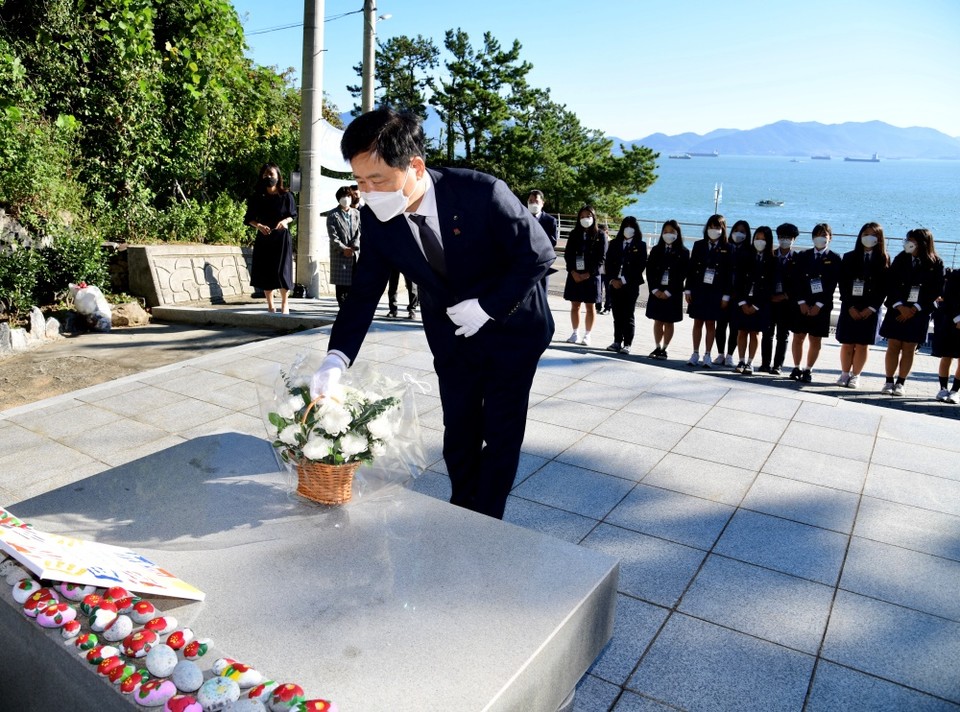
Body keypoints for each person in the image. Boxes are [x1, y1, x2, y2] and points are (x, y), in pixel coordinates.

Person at [310, 109, 556, 520]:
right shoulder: (377, 218)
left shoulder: (481, 192)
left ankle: (486, 518)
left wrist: (487, 308)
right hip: (451, 335)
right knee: (458, 432)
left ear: (414, 166)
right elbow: (364, 292)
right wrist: (336, 358)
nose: (368, 193)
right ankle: (463, 507)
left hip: (513, 328)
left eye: (378, 181)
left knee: (500, 431)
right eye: (360, 182)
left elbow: (537, 256)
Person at [879, 228, 944, 396]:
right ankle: (888, 381)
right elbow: (890, 283)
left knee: (909, 347)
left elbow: (936, 290)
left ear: (923, 243)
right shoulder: (901, 258)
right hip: (897, 309)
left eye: (912, 240)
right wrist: (900, 306)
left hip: (919, 312)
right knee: (893, 345)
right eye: (907, 239)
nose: (908, 243)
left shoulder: (936, 263)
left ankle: (901, 382)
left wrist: (915, 308)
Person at [835, 222, 889, 389]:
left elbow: (884, 287)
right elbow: (843, 283)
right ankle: (844, 373)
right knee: (848, 342)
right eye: (865, 234)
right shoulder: (849, 257)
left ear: (879, 238)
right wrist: (850, 306)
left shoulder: (884, 259)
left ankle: (856, 375)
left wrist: (871, 308)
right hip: (850, 306)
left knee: (862, 344)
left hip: (870, 309)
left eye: (873, 234)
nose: (868, 237)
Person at [787, 223, 840, 383]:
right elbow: (796, 282)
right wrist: (802, 302)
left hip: (821, 306)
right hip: (802, 304)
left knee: (815, 339)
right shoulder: (803, 256)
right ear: (812, 237)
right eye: (818, 234)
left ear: (830, 237)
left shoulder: (835, 258)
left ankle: (808, 369)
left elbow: (831, 285)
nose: (821, 237)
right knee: (798, 337)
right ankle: (796, 367)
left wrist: (818, 305)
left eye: (824, 234)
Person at [245, 163, 297, 314]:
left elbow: (293, 215)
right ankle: (270, 305)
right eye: (265, 174)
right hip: (264, 237)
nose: (268, 177)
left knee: (283, 271)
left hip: (281, 238)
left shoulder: (286, 195)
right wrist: (259, 225)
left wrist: (284, 221)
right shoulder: (257, 197)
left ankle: (284, 304)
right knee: (266, 270)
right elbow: (249, 218)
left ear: (278, 176)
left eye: (271, 174)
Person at [685, 214, 733, 368]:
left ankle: (707, 354)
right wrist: (687, 289)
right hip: (699, 289)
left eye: (717, 227)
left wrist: (726, 295)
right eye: (711, 227)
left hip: (716, 292)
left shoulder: (728, 247)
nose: (714, 230)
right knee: (697, 322)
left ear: (723, 229)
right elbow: (691, 269)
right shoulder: (699, 245)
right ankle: (695, 353)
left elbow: (729, 274)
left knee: (711, 323)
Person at [732, 226, 775, 374]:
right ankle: (741, 360)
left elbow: (770, 286)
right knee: (742, 331)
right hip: (743, 301)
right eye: (757, 238)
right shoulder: (745, 255)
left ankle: (750, 362)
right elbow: (737, 281)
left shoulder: (772, 260)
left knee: (754, 333)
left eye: (763, 239)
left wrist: (756, 305)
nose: (759, 241)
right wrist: (742, 302)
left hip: (760, 304)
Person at [563, 206, 607, 346]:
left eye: (588, 216)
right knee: (575, 305)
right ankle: (575, 333)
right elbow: (568, 254)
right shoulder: (574, 234)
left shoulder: (600, 235)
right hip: (575, 274)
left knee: (590, 306)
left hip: (592, 276)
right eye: (582, 216)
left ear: (593, 217)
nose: (585, 219)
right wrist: (573, 272)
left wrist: (589, 273)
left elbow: (602, 258)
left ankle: (587, 335)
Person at [645, 220, 689, 360]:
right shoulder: (656, 250)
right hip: (657, 291)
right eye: (665, 231)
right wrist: (655, 290)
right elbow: (650, 270)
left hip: (673, 292)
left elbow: (682, 274)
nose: (668, 234)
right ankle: (657, 347)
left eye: (672, 232)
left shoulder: (683, 252)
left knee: (669, 321)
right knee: (657, 320)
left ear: (678, 233)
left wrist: (669, 292)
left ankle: (665, 348)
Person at [759, 223, 799, 374]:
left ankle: (778, 365)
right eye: (781, 237)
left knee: (783, 335)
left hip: (787, 303)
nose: (784, 240)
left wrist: (785, 295)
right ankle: (765, 363)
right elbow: (763, 279)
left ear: (793, 239)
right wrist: (769, 296)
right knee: (767, 333)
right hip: (770, 301)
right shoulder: (770, 256)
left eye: (788, 238)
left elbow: (799, 283)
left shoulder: (797, 258)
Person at [604, 216, 647, 354]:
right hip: (614, 284)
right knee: (617, 314)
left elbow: (639, 267)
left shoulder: (640, 245)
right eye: (626, 225)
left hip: (630, 285)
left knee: (628, 314)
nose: (628, 229)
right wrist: (612, 280)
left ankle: (627, 343)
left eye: (631, 226)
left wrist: (623, 280)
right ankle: (617, 341)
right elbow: (608, 263)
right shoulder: (615, 243)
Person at [714, 219, 750, 367]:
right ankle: (720, 353)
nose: (738, 234)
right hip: (723, 294)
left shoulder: (749, 251)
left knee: (735, 327)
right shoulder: (725, 248)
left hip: (739, 296)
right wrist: (724, 294)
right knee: (720, 325)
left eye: (742, 231)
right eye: (736, 230)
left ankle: (730, 355)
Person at [326, 185, 361, 308]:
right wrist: (343, 249)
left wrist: (354, 247)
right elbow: (333, 236)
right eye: (343, 196)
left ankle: (352, 311)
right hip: (339, 256)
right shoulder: (332, 214)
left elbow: (359, 232)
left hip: (354, 254)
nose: (346, 198)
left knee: (355, 287)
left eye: (348, 196)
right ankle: (343, 310)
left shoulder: (356, 213)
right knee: (341, 289)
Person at [932, 267, 960, 403]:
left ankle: (955, 391)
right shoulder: (955, 275)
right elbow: (948, 298)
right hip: (951, 321)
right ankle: (943, 388)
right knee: (946, 356)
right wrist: (957, 318)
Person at [527, 189, 559, 290]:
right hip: (525, 262)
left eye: (536, 201)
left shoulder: (550, 221)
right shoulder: (522, 218)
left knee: (541, 292)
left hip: (541, 262)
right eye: (530, 201)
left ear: (542, 203)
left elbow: (552, 242)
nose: (533, 204)